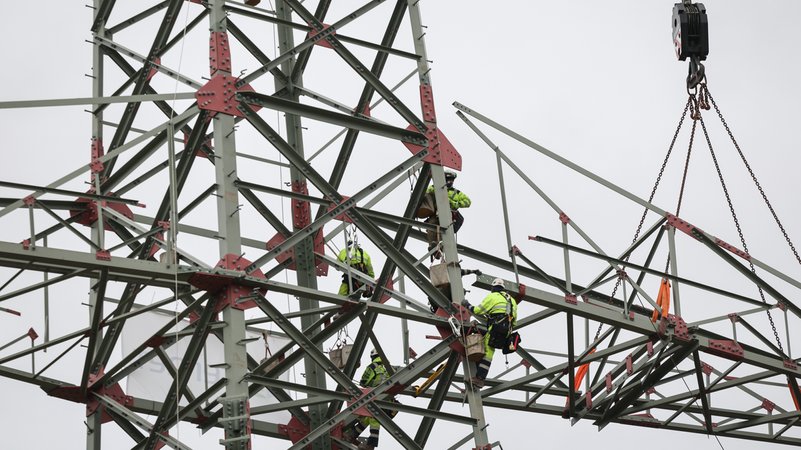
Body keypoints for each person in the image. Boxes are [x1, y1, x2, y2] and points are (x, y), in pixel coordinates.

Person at [461, 277, 518, 388]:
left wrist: (467, 305)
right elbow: (514, 321)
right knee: (490, 350)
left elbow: (477, 310)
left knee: (488, 351)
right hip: (507, 330)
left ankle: (479, 378)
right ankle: (479, 375)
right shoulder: (512, 300)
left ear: (493, 288)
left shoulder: (493, 296)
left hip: (495, 328)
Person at [349, 348, 390, 449]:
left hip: (374, 396)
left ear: (373, 357)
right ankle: (353, 434)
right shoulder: (389, 367)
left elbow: (364, 381)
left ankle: (371, 443)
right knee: (368, 418)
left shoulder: (372, 366)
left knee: (372, 417)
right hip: (387, 398)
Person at [424, 170, 471, 257]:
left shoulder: (456, 192)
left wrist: (455, 203)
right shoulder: (433, 188)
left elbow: (468, 202)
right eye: (449, 179)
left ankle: (440, 248)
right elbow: (426, 194)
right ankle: (433, 247)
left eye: (452, 180)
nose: (451, 181)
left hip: (448, 214)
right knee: (431, 226)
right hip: (435, 213)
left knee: (445, 230)